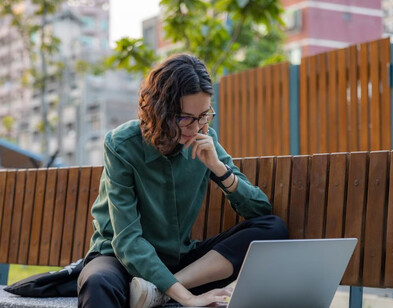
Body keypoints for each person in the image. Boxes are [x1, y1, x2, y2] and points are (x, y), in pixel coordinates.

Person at [77, 53, 289, 308]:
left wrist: (218, 168)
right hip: (119, 261)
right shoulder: (122, 145)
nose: (197, 127)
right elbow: (126, 241)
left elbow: (260, 210)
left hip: (179, 264)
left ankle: (155, 292)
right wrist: (187, 297)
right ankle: (164, 289)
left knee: (272, 229)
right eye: (185, 117)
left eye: (204, 116)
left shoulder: (204, 139)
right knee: (98, 283)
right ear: (160, 111)